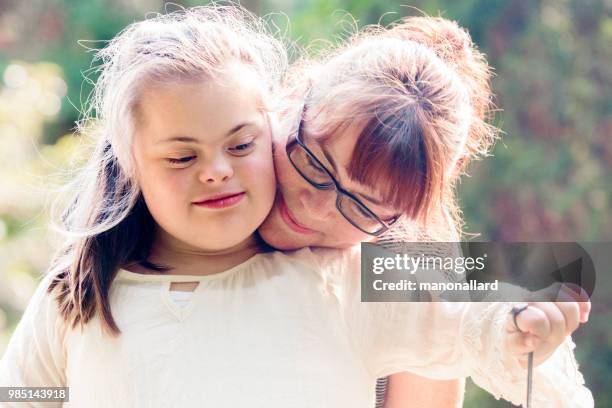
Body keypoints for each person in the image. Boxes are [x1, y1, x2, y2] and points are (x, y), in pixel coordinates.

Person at [0, 5, 593, 408]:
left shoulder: (370, 267)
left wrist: (527, 314)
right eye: (312, 164)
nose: (313, 209)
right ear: (283, 112)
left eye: (361, 207)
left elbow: (536, 282)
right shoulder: (81, 288)